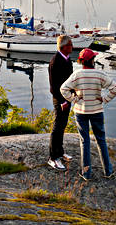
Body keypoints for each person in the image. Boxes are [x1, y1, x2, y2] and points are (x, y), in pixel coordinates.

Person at [61, 48, 116, 180]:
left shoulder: (77, 74)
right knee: (101, 140)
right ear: (92, 60)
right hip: (97, 111)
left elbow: (63, 89)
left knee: (84, 141)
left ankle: (86, 173)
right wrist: (104, 99)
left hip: (81, 112)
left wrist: (74, 99)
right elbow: (115, 88)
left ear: (82, 61)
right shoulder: (99, 74)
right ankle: (108, 171)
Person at [47, 35, 74, 170]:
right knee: (57, 127)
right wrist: (63, 101)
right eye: (70, 44)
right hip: (60, 99)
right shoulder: (55, 61)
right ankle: (52, 158)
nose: (72, 46)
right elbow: (53, 86)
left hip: (68, 98)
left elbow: (71, 81)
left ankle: (60, 152)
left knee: (63, 126)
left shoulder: (68, 60)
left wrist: (73, 96)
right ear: (63, 47)